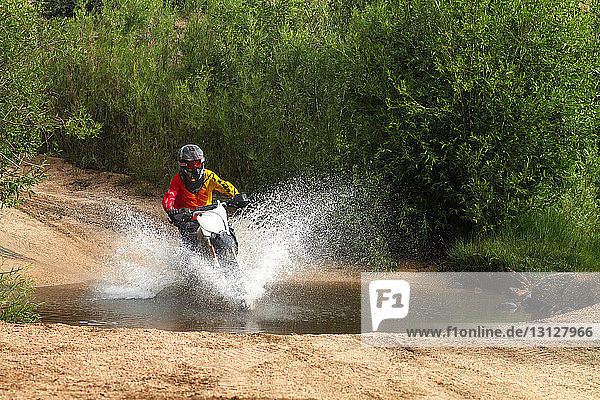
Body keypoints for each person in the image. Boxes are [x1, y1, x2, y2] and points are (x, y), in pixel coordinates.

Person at [162, 144, 241, 248]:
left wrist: (238, 196)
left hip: (209, 215)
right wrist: (170, 210)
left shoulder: (209, 176)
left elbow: (225, 186)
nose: (195, 167)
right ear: (182, 164)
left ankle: (232, 253)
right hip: (188, 218)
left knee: (228, 231)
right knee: (190, 241)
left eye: (197, 162)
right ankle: (187, 261)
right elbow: (169, 196)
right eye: (191, 164)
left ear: (202, 162)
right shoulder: (177, 180)